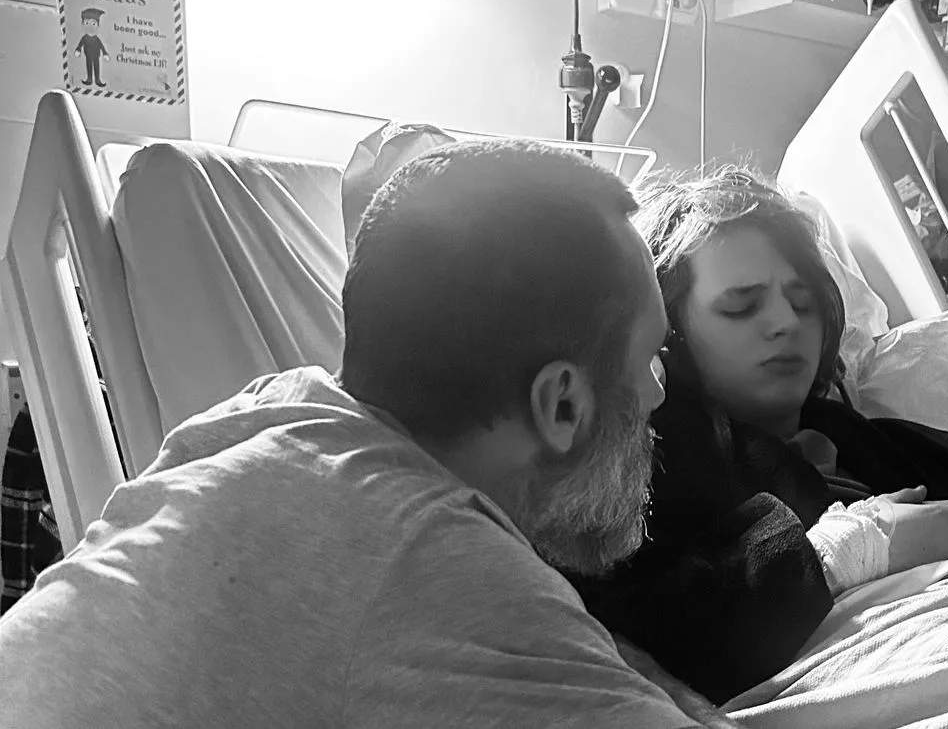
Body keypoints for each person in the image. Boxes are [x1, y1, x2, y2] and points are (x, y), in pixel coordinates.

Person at [0, 140, 718, 728]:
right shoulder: (443, 569)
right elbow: (451, 605)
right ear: (561, 403)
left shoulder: (272, 412)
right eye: (649, 359)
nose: (658, 392)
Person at [566, 164, 948, 706]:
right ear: (667, 331)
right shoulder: (650, 467)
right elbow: (645, 631)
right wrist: (852, 549)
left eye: (803, 302)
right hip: (906, 663)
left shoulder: (895, 444)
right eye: (741, 307)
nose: (784, 323)